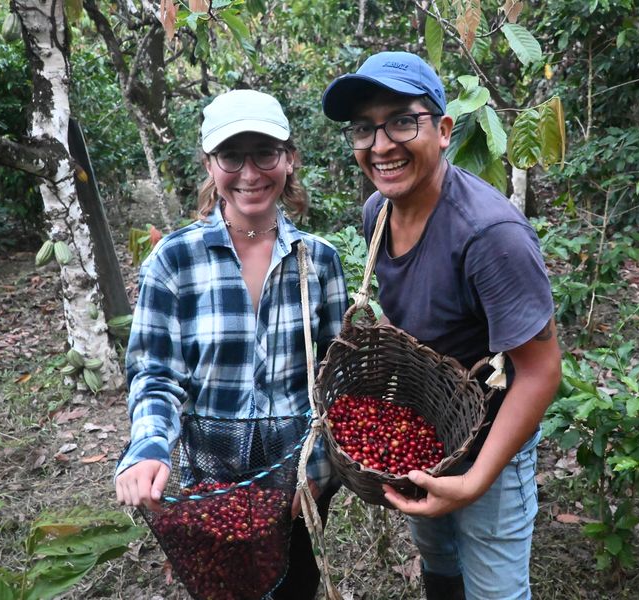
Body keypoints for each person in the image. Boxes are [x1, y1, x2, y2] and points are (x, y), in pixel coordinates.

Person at [322, 52, 562, 600]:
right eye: (364, 128)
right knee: (437, 557)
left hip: (490, 445)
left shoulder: (490, 235)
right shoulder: (377, 211)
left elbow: (542, 371)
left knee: (495, 588)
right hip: (429, 430)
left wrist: (474, 481)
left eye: (402, 120)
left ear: (444, 129)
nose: (380, 145)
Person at [115, 89, 349, 599]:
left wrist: (316, 470)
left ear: (288, 159)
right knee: (224, 587)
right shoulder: (174, 261)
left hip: (297, 474)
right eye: (231, 156)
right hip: (212, 473)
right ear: (209, 163)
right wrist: (149, 447)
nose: (250, 172)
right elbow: (156, 373)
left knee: (294, 582)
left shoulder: (320, 261)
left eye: (265, 153)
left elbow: (334, 382)